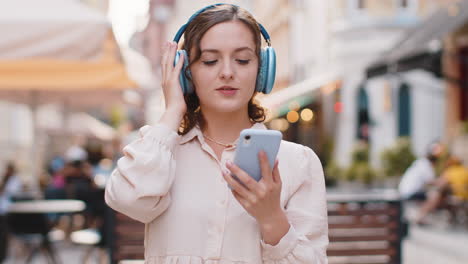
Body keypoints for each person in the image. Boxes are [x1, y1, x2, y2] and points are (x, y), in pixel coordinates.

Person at [105, 4, 328, 263]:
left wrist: (272, 219)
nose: (227, 72)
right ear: (185, 72)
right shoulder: (161, 155)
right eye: (210, 61)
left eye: (243, 60)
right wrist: (173, 111)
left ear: (262, 69)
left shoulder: (298, 163)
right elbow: (127, 200)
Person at [414, 156, 468, 225]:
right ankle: (452, 219)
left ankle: (420, 216)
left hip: (454, 197)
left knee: (436, 197)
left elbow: (440, 183)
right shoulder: (465, 171)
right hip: (465, 198)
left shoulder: (450, 171)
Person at [0, 162, 23, 262]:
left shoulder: (15, 180)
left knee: (7, 232)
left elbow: (12, 193)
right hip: (4, 210)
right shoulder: (7, 179)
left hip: (9, 210)